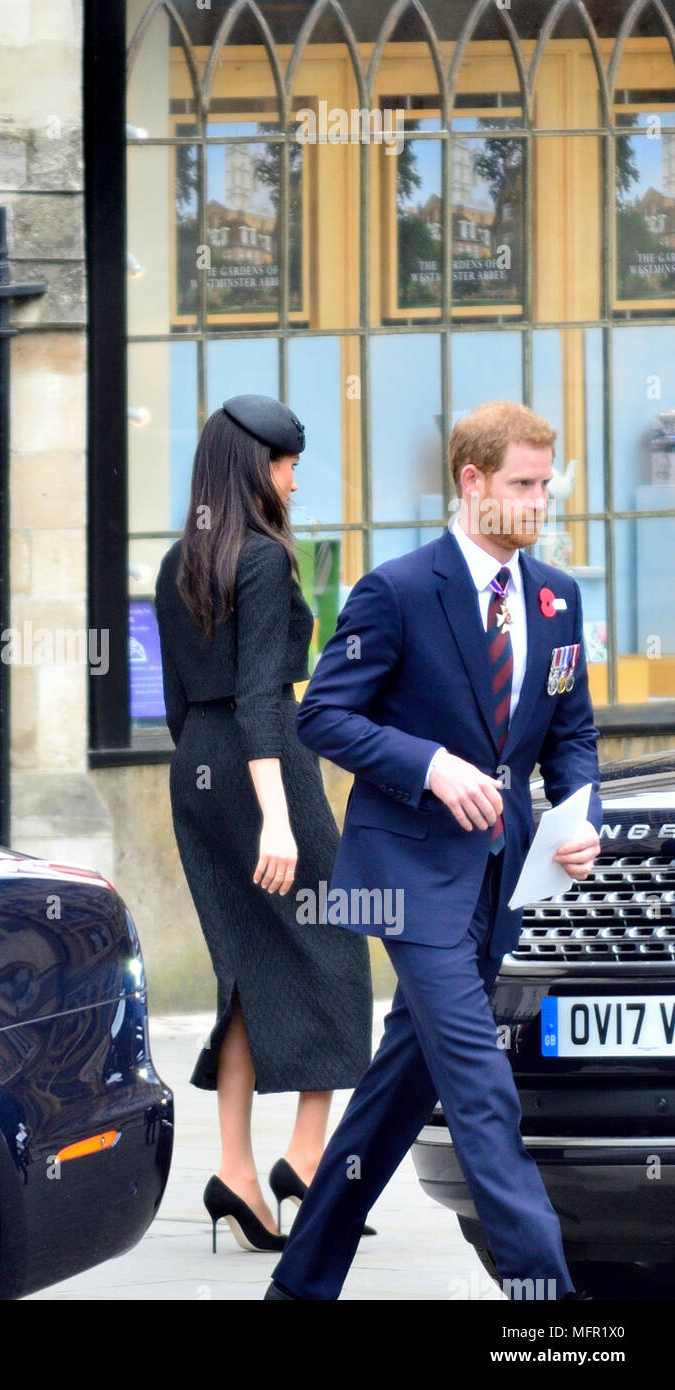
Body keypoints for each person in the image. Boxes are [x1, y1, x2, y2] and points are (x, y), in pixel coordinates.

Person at [264, 400, 602, 1302]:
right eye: (524, 484)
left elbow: (571, 732)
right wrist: (432, 766)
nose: (540, 501)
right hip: (408, 882)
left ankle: (297, 1289)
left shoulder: (557, 596)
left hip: (501, 880)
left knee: (396, 1095)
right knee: (483, 1090)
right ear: (472, 480)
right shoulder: (399, 590)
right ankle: (551, 1312)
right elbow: (321, 714)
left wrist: (580, 813)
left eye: (546, 484)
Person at [155, 394, 373, 1253]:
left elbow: (181, 705)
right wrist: (277, 817)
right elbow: (257, 697)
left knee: (245, 968)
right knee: (335, 945)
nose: (293, 477)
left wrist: (212, 789)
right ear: (257, 469)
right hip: (265, 761)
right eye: (286, 463)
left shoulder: (179, 559)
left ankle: (237, 1172)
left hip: (197, 772)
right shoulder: (265, 560)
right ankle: (307, 1158)